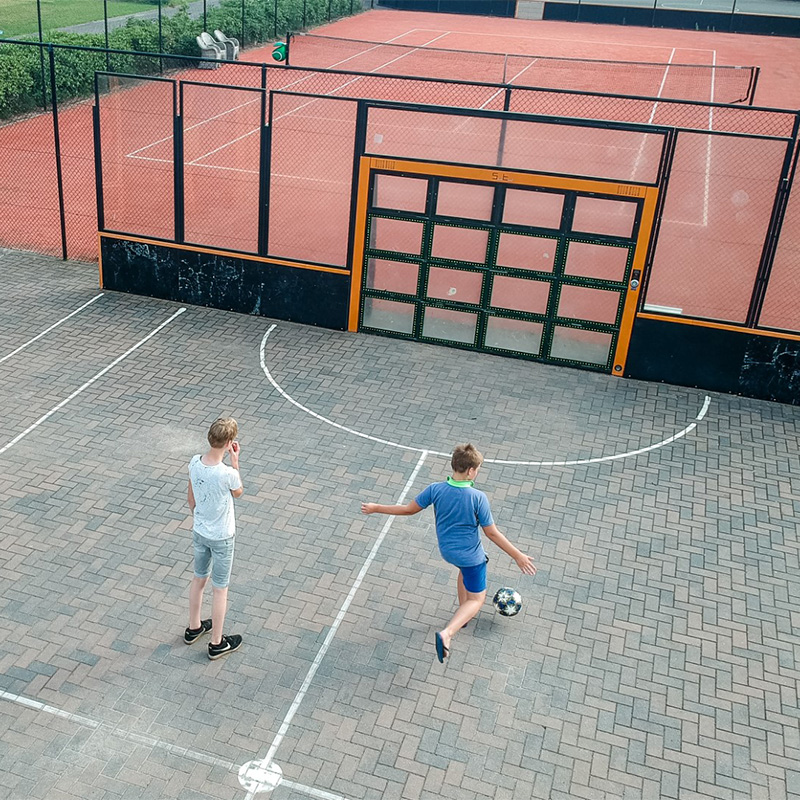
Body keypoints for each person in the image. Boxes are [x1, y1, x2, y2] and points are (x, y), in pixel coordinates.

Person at [361, 443, 536, 663]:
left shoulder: (435, 489)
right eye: (478, 469)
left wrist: (377, 507)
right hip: (471, 558)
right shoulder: (477, 497)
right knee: (477, 599)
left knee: (463, 574)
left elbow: (408, 509)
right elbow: (491, 533)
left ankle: (462, 618)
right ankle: (448, 633)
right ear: (471, 471)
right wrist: (517, 555)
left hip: (448, 552)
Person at [185, 417, 244, 660]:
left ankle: (194, 627)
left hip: (200, 532)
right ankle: (217, 642)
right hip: (222, 537)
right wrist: (236, 461)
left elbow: (191, 500)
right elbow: (238, 492)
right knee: (220, 590)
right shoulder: (227, 474)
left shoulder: (194, 463)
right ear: (229, 442)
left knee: (199, 579)